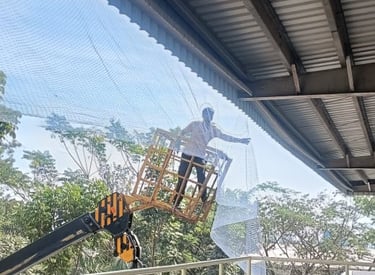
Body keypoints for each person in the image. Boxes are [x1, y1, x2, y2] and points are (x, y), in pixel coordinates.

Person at [172, 107, 250, 208]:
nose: (209, 117)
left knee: (202, 179)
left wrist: (240, 140)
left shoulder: (213, 130)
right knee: (182, 179)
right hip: (187, 153)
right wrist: (177, 143)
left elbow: (225, 137)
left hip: (199, 156)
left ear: (212, 117)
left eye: (211, 115)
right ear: (203, 115)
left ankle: (204, 200)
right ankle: (176, 203)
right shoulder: (195, 124)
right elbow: (182, 132)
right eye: (207, 114)